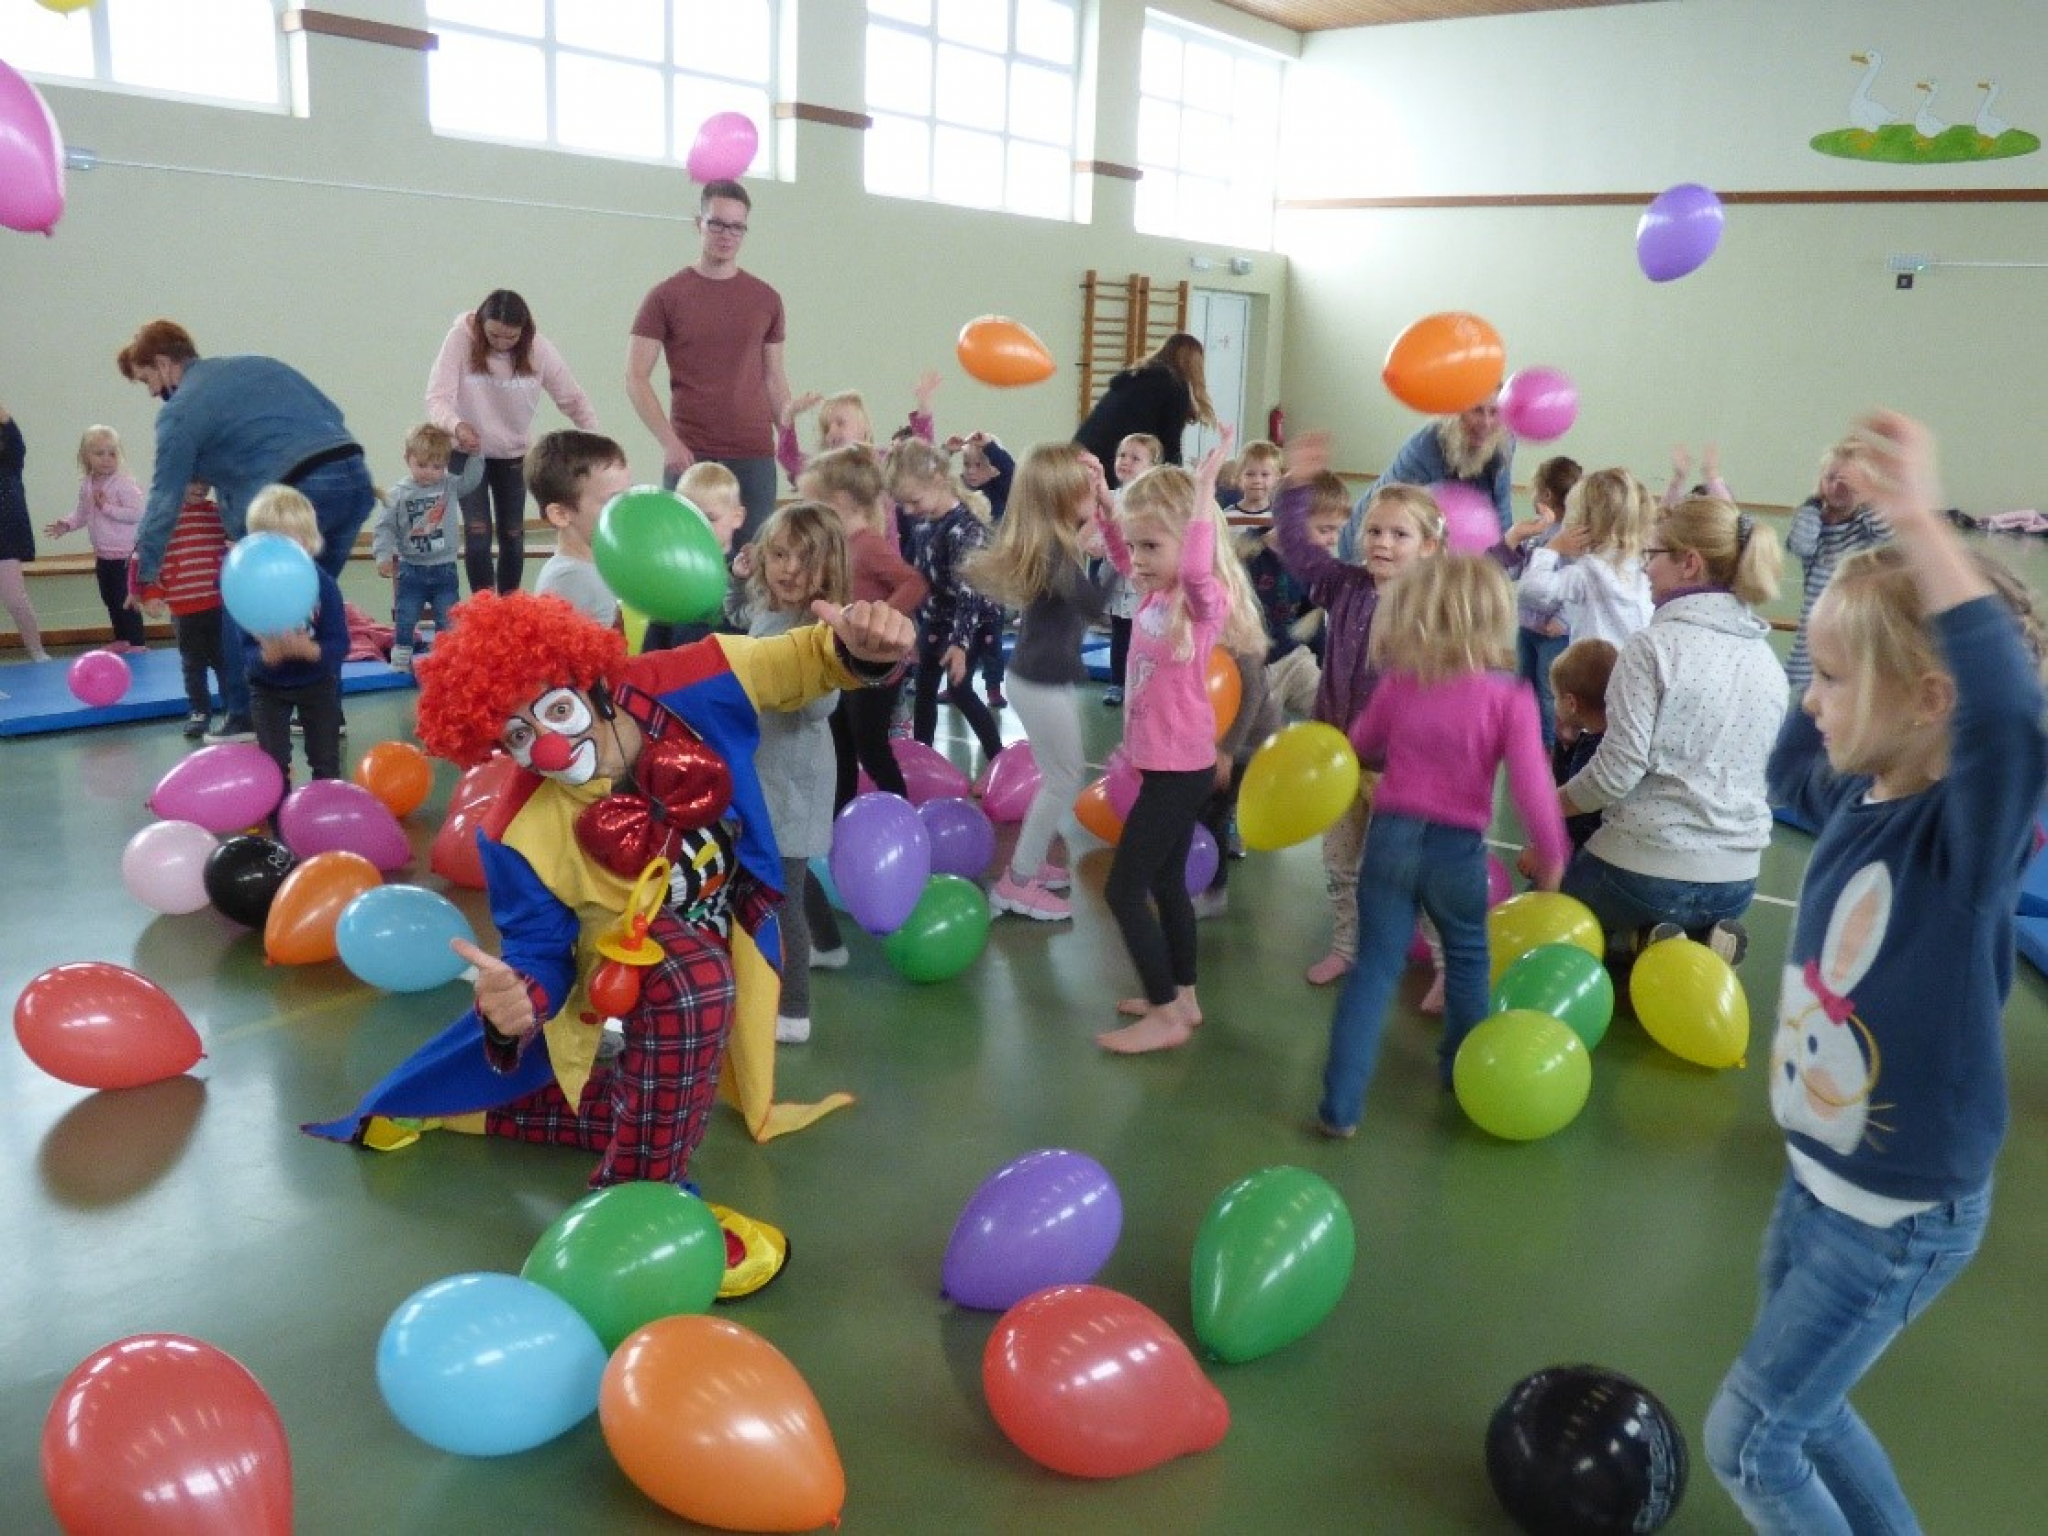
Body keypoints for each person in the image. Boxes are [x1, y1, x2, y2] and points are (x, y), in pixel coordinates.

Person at [303, 588, 913, 1225]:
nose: (548, 749)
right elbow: (540, 951)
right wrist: (520, 999)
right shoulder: (512, 830)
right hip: (625, 961)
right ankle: (635, 1205)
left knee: (670, 1098)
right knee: (694, 985)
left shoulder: (686, 682)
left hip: (725, 921)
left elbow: (801, 661)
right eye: (518, 735)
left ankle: (471, 1109)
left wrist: (860, 651)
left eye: (556, 711)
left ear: (591, 683)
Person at [1704, 411, 2046, 1533]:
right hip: (1819, 1180)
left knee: (1750, 1442)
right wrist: (1810, 588)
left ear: (1930, 701)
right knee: (1802, 1416)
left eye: (1839, 679)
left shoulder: (1963, 845)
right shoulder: (1855, 791)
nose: (1813, 696)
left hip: (1896, 1216)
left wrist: (1918, 526)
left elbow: (2008, 716)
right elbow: (1785, 762)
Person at [1317, 555, 1568, 1136]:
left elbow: (1359, 742)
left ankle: (1340, 1107)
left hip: (1390, 840)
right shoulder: (1510, 697)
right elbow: (1533, 787)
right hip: (1457, 851)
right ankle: (1460, 1072)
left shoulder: (1400, 684)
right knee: (1468, 957)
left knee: (1374, 969)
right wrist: (1552, 855)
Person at [119, 319, 376, 746]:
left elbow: (165, 496)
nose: (150, 392)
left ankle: (244, 716)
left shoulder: (179, 410)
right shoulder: (256, 365)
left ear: (163, 364)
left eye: (147, 379)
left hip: (300, 490)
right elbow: (328, 416)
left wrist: (143, 572)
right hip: (354, 480)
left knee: (241, 599)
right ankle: (326, 714)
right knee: (311, 598)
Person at [1558, 495, 1786, 962]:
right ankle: (1691, 940)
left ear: (1690, 563)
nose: (1645, 568)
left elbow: (1615, 774)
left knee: (1555, 917)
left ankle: (1639, 942)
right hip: (1737, 880)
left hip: (1642, 867)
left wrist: (1550, 804)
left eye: (1653, 554)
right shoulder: (1768, 662)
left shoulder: (1652, 648)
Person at [1093, 448, 1267, 1055]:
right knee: (1167, 881)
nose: (1137, 559)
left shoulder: (1199, 600)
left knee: (1123, 890)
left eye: (1151, 546)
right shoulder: (1153, 594)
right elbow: (1122, 558)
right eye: (1134, 545)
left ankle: (1164, 1013)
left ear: (1190, 541)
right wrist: (1106, 505)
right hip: (1162, 765)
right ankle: (1184, 996)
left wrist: (1203, 495)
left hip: (1178, 771)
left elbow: (1193, 568)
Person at [1277, 432, 1447, 987]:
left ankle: (1446, 964)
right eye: (1374, 531)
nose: (1383, 543)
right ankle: (1346, 947)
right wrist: (1296, 487)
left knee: (1410, 868)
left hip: (1400, 766)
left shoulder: (1431, 605)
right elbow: (1299, 551)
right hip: (1339, 757)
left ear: (1427, 546)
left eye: (1400, 534)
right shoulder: (1345, 586)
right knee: (1340, 863)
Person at [965, 442, 1117, 921]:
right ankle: (1017, 882)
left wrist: (1101, 512)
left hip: (1042, 678)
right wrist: (1119, 548)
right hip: (1040, 683)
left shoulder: (1054, 542)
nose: (1093, 493)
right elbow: (1097, 606)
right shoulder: (1054, 554)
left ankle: (1027, 865)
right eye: (1084, 489)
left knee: (1059, 777)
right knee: (1063, 780)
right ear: (1061, 498)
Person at [728, 502, 851, 1044]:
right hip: (765, 771)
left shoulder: (817, 627)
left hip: (795, 779)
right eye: (779, 555)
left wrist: (789, 673)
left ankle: (794, 1012)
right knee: (791, 873)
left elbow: (823, 703)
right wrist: (738, 582)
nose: (789, 569)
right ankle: (832, 945)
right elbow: (742, 623)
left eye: (805, 560)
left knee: (783, 898)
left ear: (828, 569)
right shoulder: (771, 611)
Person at [627, 179, 791, 548]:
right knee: (685, 557)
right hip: (691, 453)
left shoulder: (766, 299)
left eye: (736, 227)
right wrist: (669, 442)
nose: (726, 235)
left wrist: (789, 444)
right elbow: (636, 376)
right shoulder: (666, 296)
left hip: (753, 452)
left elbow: (774, 377)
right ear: (698, 223)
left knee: (753, 561)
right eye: (717, 224)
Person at [425, 288, 600, 597]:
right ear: (480, 325)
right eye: (493, 335)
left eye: (511, 337)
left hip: (513, 454)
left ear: (524, 332)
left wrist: (596, 441)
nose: (502, 343)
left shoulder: (538, 349)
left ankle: (510, 604)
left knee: (513, 533)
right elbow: (437, 397)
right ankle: (484, 607)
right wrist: (457, 425)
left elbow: (572, 398)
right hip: (468, 453)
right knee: (477, 533)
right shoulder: (460, 340)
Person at [797, 445, 926, 808]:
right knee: (839, 742)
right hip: (845, 661)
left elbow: (914, 582)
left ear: (838, 502)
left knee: (870, 747)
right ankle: (841, 813)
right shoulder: (839, 545)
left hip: (876, 666)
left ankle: (901, 811)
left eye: (812, 504)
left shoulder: (867, 543)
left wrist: (879, 620)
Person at [888, 438, 1005, 764]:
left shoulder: (965, 529)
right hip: (937, 618)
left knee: (960, 691)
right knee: (924, 689)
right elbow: (914, 574)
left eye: (913, 501)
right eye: (903, 504)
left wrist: (960, 646)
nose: (907, 511)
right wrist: (910, 623)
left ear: (938, 481)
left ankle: (997, 758)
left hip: (972, 622)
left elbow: (970, 593)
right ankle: (922, 760)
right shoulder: (924, 521)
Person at [241, 486, 348, 786]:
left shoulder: (323, 585)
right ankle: (279, 807)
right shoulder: (250, 587)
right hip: (267, 687)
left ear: (308, 541)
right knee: (273, 762)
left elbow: (339, 643)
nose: (281, 552)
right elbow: (244, 649)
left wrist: (311, 650)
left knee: (325, 759)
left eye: (290, 542)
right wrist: (265, 657)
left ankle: (325, 803)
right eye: (270, 543)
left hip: (317, 683)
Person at [1340, 395, 1513, 561]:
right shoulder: (1426, 446)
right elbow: (1389, 517)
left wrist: (1505, 562)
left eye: (1494, 412)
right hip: (1366, 541)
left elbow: (1501, 509)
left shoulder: (1502, 440)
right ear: (1456, 411)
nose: (1486, 422)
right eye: (1477, 410)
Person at [372, 424, 483, 672]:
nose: (429, 473)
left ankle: (446, 658)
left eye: (437, 467)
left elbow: (471, 480)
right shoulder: (398, 494)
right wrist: (383, 556)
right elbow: (384, 527)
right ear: (407, 459)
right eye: (422, 465)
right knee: (406, 616)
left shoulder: (449, 485)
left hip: (445, 570)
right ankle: (401, 658)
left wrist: (476, 455)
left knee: (448, 618)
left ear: (445, 465)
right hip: (411, 570)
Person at [1784, 436, 1890, 693]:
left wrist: (1868, 498)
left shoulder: (1865, 528)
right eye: (1830, 479)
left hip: (1851, 634)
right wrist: (1813, 504)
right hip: (1813, 633)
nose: (1837, 487)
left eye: (1847, 483)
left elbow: (1887, 534)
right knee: (1807, 695)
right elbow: (1801, 545)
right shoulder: (1814, 521)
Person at [1511, 466, 1655, 651]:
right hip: (1630, 659)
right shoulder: (1639, 562)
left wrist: (1551, 548)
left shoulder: (1589, 570)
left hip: (1593, 663)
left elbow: (1531, 590)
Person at [1242, 468, 1344, 719]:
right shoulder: (1247, 555)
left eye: (1337, 530)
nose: (1333, 540)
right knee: (1261, 732)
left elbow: (1313, 618)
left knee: (1333, 713)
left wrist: (1326, 667)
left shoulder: (1313, 565)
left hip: (1295, 658)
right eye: (1325, 530)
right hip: (1253, 668)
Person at [134, 482, 229, 738]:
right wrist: (152, 594)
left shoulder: (218, 514)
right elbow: (150, 559)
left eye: (205, 481)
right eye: (192, 481)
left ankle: (233, 710)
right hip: (184, 609)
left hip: (218, 605)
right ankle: (199, 711)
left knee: (225, 661)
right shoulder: (165, 519)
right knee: (193, 664)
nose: (200, 487)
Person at [44, 425, 147, 651]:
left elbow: (137, 514)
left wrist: (107, 507)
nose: (106, 459)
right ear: (86, 457)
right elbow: (83, 513)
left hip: (125, 554)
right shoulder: (88, 484)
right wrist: (67, 524)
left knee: (125, 598)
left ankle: (137, 642)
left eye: (112, 453)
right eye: (99, 453)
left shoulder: (123, 483)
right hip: (103, 554)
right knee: (109, 598)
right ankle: (122, 638)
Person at [1073, 332, 1216, 483]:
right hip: (1111, 458)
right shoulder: (1174, 386)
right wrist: (1175, 482)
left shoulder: (1133, 377)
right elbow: (1170, 444)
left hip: (1081, 451)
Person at [639, 462, 750, 654]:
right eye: (689, 517)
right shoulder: (672, 576)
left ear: (737, 517)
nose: (699, 527)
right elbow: (655, 640)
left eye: (710, 518)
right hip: (678, 667)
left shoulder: (745, 576)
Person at [1512, 456, 1583, 749]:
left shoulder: (1572, 536)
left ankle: (1548, 747)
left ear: (1546, 495)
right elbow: (1519, 569)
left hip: (1554, 634)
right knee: (1523, 685)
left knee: (1547, 692)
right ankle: (1526, 738)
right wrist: (1514, 544)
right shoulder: (1536, 531)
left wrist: (1564, 619)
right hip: (1528, 626)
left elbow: (1580, 581)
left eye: (1535, 490)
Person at [528, 430, 631, 629]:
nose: (626, 510)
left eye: (628, 496)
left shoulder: (602, 566)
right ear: (560, 514)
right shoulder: (569, 580)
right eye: (613, 500)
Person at [777, 373, 938, 488]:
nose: (831, 432)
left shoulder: (883, 460)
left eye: (840, 423)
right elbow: (788, 456)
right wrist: (788, 416)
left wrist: (923, 404)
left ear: (864, 428)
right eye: (826, 428)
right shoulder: (823, 467)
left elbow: (922, 454)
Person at [1098, 432, 1163, 706]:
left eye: (1135, 458)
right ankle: (1117, 682)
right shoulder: (1110, 496)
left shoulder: (1153, 501)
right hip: (1119, 578)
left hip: (1144, 580)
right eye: (1122, 455)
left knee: (1147, 631)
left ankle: (1146, 682)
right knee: (1121, 632)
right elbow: (1100, 530)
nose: (1125, 461)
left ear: (1152, 467)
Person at [956, 431, 1018, 709]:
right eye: (966, 465)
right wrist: (947, 451)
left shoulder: (1001, 488)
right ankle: (958, 683)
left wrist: (990, 447)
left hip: (993, 578)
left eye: (979, 465)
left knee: (992, 636)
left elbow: (1011, 470)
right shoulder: (961, 492)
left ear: (993, 468)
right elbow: (935, 481)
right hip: (965, 576)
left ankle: (993, 686)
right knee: (962, 635)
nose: (971, 471)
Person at [1548, 637, 1617, 853]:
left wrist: (1544, 849)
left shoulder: (1592, 751)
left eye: (1555, 697)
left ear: (1571, 703)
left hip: (1587, 850)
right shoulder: (1609, 740)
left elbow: (1571, 807)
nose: (1554, 703)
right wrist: (1566, 746)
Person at [0, 402, 50, 663]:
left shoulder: (10, 463)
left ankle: (36, 650)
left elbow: (14, 440)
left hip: (5, 541)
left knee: (15, 599)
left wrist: (5, 419)